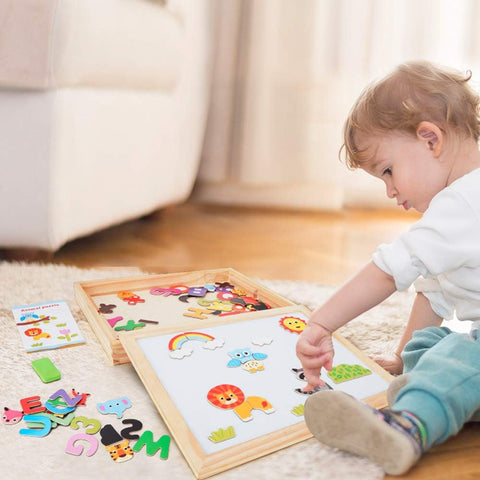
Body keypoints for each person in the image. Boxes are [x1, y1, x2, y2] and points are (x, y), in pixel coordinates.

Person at [296, 60, 480, 475]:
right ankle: (432, 391)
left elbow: (386, 272)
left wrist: (322, 323)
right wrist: (399, 357)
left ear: (430, 138)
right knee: (429, 344)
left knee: (458, 353)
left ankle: (406, 428)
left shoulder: (464, 202)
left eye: (388, 171)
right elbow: (433, 291)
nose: (390, 191)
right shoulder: (463, 208)